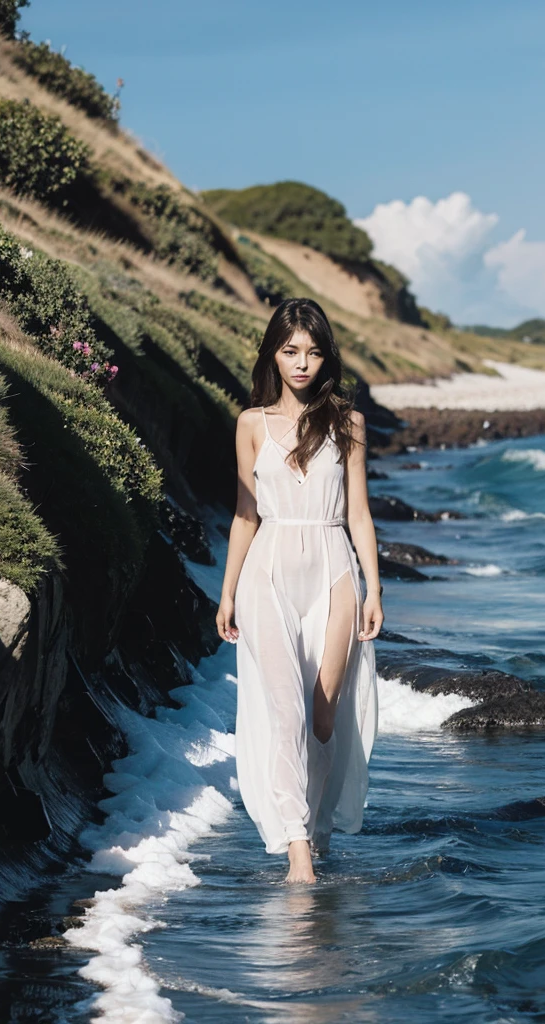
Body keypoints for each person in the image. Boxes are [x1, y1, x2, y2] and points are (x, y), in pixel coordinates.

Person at [216, 297, 382, 883]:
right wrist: (228, 590)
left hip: (335, 567)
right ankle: (298, 855)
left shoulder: (348, 422)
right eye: (290, 351)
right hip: (267, 572)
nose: (302, 363)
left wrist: (374, 589)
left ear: (325, 356)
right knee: (285, 712)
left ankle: (319, 828)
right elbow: (244, 514)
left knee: (322, 716)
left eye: (312, 352)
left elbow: (359, 514)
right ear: (273, 354)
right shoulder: (251, 424)